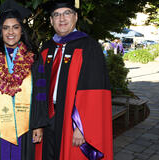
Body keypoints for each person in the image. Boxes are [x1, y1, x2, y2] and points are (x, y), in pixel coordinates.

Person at [38, 0, 113, 159]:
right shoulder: (46, 48)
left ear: (76, 17)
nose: (62, 19)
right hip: (47, 116)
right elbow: (37, 88)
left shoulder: (89, 48)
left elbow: (94, 91)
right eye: (56, 15)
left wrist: (82, 126)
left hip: (72, 118)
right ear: (51, 21)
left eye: (67, 13)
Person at [0, 0, 48, 159]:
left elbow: (40, 93)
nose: (11, 32)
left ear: (22, 30)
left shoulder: (33, 58)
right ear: (0, 31)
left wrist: (38, 124)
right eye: (6, 28)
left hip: (25, 126)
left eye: (15, 27)